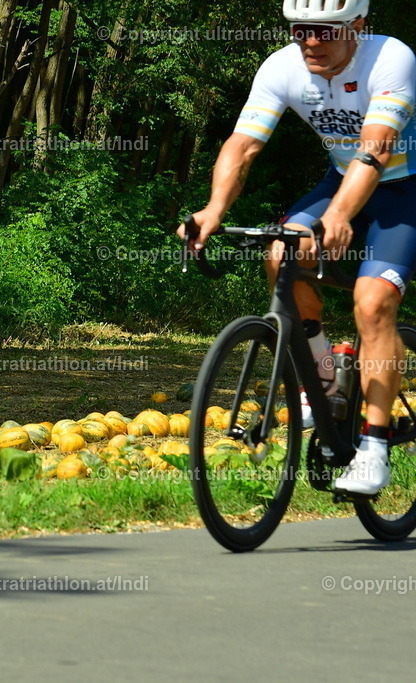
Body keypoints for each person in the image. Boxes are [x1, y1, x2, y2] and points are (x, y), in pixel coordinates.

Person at [178, 0, 416, 495]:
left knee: (372, 305)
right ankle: (325, 380)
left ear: (358, 26)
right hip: (340, 181)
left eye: (324, 31)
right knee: (281, 253)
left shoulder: (391, 57)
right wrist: (213, 210)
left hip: (404, 189)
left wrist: (339, 215)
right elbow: (243, 145)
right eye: (300, 29)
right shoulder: (283, 66)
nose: (310, 41)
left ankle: (373, 449)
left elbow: (375, 147)